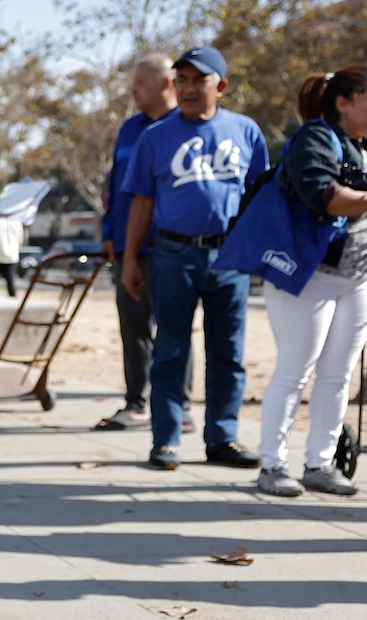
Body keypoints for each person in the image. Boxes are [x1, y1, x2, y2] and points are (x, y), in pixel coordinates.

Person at [256, 66, 367, 497]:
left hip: (358, 280)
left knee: (337, 375)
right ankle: (271, 466)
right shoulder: (315, 139)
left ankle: (319, 463)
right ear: (343, 102)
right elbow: (325, 196)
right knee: (294, 371)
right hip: (308, 275)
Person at [121, 46, 268, 471]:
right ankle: (165, 440)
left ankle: (222, 437)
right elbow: (141, 204)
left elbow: (260, 198)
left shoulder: (245, 131)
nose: (186, 88)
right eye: (180, 79)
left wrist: (258, 255)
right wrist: (131, 259)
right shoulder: (155, 137)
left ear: (219, 86)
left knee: (228, 353)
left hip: (230, 256)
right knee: (170, 349)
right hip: (171, 254)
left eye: (197, 80)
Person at [98, 56, 195, 432]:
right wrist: (110, 234)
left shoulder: (185, 127)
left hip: (170, 248)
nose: (133, 89)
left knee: (174, 329)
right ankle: (136, 403)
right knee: (133, 329)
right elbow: (115, 189)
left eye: (140, 82)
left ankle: (179, 408)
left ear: (166, 83)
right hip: (127, 250)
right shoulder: (129, 130)